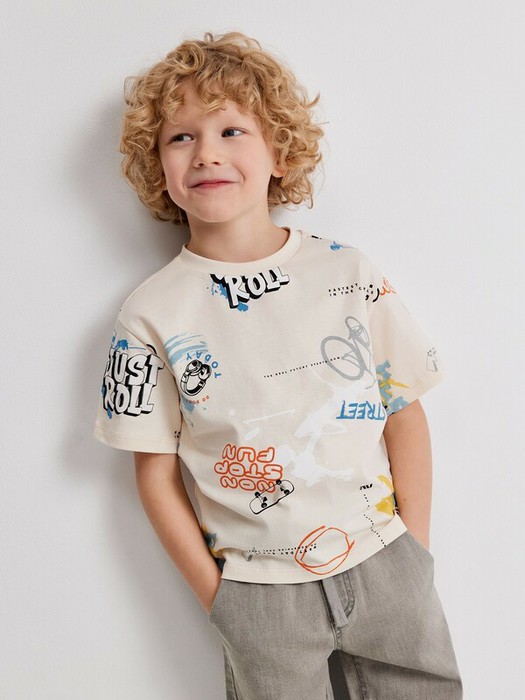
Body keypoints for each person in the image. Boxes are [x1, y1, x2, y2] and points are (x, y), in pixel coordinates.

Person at [93, 31, 463, 700]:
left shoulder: (348, 273)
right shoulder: (151, 314)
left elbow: (403, 411)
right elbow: (154, 473)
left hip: (385, 562)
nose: (206, 152)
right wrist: (221, 599)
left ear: (280, 152)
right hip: (258, 592)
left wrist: (414, 550)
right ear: (158, 166)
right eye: (180, 137)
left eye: (231, 130)